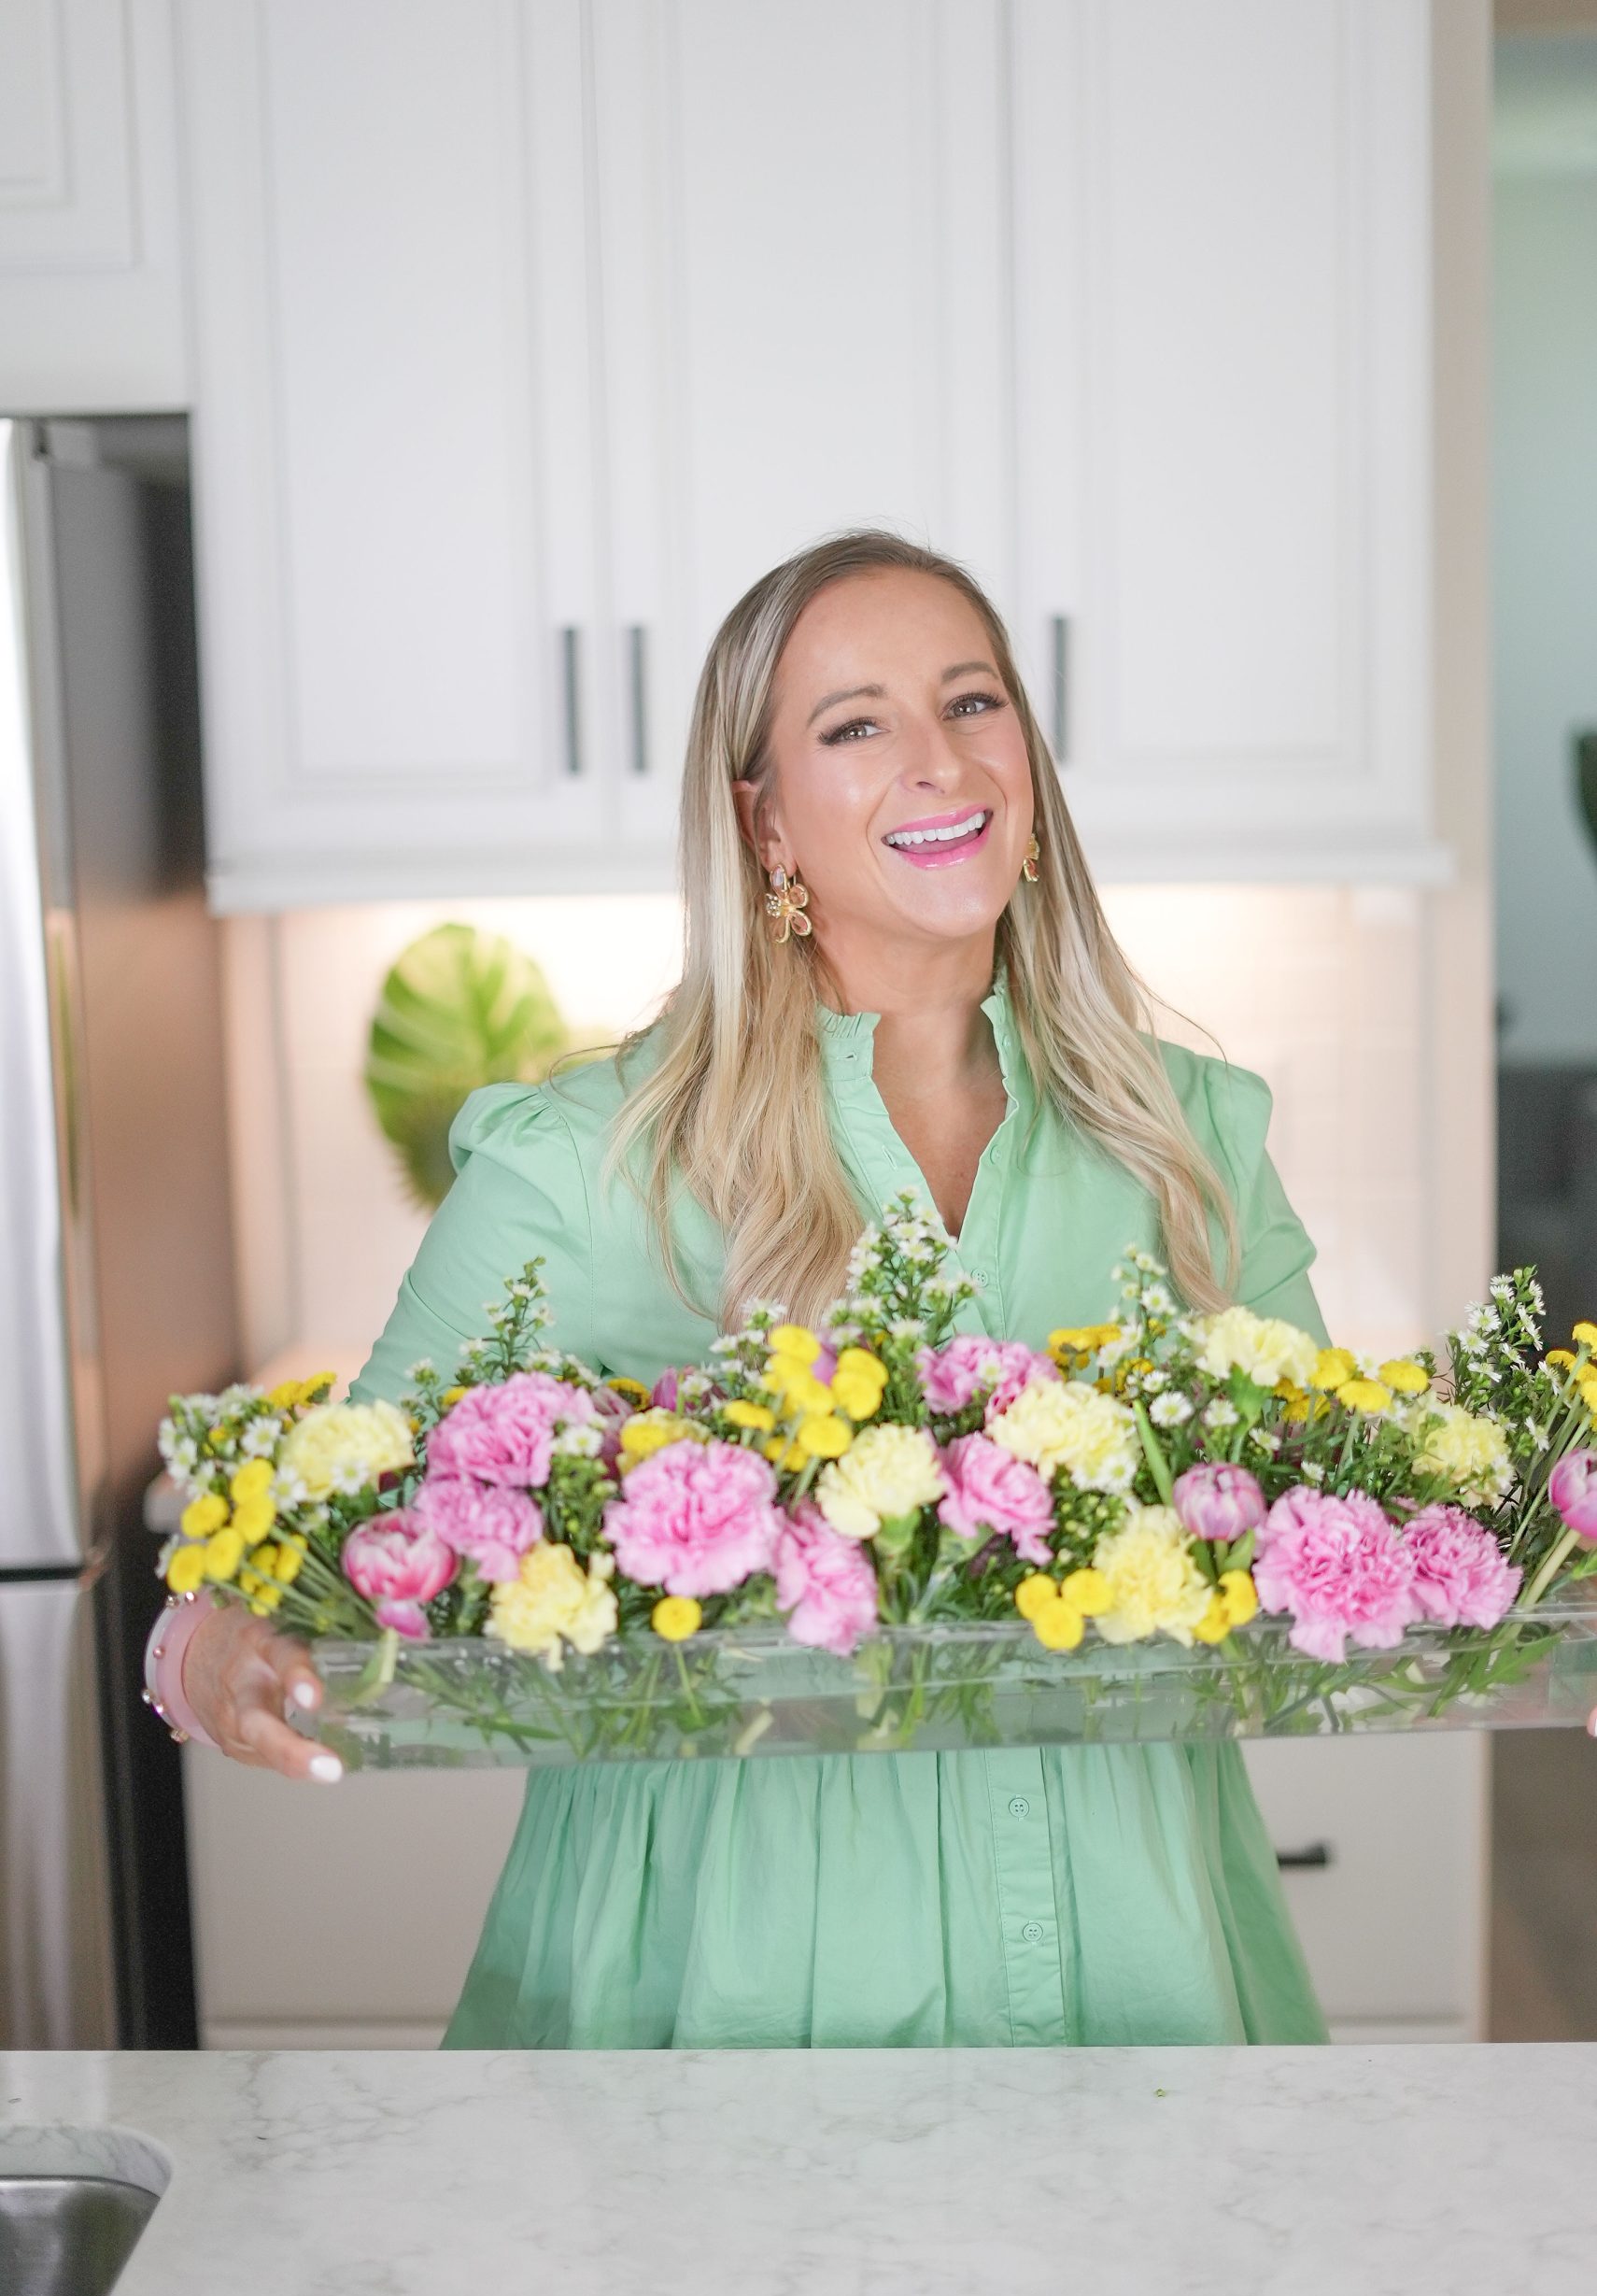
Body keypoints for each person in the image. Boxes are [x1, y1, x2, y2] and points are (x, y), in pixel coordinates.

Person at [176, 530, 1331, 2049]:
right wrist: (213, 1654)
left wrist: (1542, 1586)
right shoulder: (589, 1165)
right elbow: (287, 1558)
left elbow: (1336, 1516)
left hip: (1136, 1936)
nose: (938, 761)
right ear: (762, 819)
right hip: (721, 1955)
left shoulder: (1187, 1136)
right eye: (855, 726)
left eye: (971, 703)